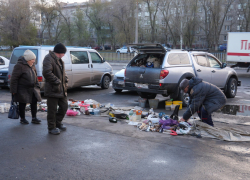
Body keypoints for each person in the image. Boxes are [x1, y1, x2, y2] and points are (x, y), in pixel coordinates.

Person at [10, 50, 42, 124]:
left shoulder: (32, 65)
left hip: (33, 88)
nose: (34, 61)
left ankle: (34, 118)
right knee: (22, 104)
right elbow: (14, 79)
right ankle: (22, 119)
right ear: (28, 59)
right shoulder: (19, 66)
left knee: (34, 102)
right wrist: (13, 90)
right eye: (32, 59)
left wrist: (37, 85)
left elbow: (35, 76)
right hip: (22, 89)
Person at [42, 43, 68, 135]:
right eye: (64, 53)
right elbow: (47, 72)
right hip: (53, 89)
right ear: (60, 52)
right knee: (52, 110)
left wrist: (65, 78)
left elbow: (62, 72)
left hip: (61, 89)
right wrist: (57, 81)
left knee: (64, 107)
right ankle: (51, 127)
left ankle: (58, 123)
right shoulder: (48, 58)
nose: (64, 55)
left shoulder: (60, 60)